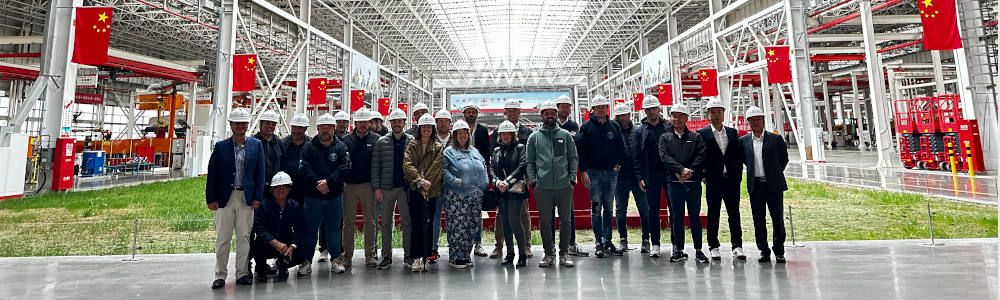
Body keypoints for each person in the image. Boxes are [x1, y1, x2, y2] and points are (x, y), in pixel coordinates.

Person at [205, 108, 265, 289]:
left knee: (244, 237)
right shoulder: (221, 147)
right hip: (225, 198)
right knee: (223, 238)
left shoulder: (256, 145)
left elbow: (260, 174)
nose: (240, 126)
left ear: (247, 125)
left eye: (243, 123)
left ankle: (242, 273)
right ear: (231, 125)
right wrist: (211, 198)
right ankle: (220, 275)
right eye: (236, 123)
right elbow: (212, 174)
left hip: (246, 198)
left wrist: (257, 197)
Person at [526, 101, 578, 268]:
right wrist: (534, 181)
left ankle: (564, 253)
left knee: (566, 221)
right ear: (541, 116)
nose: (550, 116)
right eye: (546, 113)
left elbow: (573, 157)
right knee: (545, 222)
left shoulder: (565, 135)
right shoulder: (534, 137)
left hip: (564, 186)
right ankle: (549, 253)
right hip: (543, 187)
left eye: (552, 113)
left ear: (556, 115)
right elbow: (530, 162)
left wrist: (571, 178)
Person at [299, 112, 351, 274]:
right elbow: (303, 168)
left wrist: (328, 182)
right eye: (322, 127)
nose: (325, 130)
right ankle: (306, 261)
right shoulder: (308, 147)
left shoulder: (341, 147)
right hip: (313, 197)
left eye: (329, 127)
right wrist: (317, 183)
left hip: (333, 196)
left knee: (334, 229)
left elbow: (345, 167)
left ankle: (336, 260)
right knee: (310, 230)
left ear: (334, 129)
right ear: (318, 128)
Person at [576, 95, 627, 258]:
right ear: (593, 109)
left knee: (609, 208)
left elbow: (621, 147)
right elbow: (581, 151)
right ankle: (598, 242)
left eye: (603, 106)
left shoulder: (614, 126)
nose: (600, 109)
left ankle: (608, 241)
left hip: (612, 174)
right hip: (594, 174)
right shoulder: (586, 128)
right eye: (597, 106)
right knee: (596, 209)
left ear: (607, 108)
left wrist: (618, 164)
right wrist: (583, 170)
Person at [658, 103, 708, 264]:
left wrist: (690, 171)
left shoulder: (695, 137)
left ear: (686, 118)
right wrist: (680, 170)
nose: (677, 119)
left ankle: (699, 250)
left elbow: (701, 155)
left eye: (680, 116)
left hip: (693, 182)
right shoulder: (665, 138)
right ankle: (678, 250)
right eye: (674, 115)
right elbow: (664, 157)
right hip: (674, 183)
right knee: (677, 217)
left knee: (694, 216)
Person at [696, 99, 746, 260]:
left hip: (731, 180)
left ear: (723, 113)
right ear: (708, 114)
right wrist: (704, 176)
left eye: (719, 111)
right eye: (712, 112)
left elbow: (737, 156)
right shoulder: (702, 134)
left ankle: (737, 245)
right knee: (713, 213)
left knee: (734, 213)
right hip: (713, 181)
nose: (716, 115)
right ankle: (713, 245)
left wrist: (737, 175)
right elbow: (701, 157)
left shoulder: (732, 132)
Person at [740, 106, 789, 264]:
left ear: (763, 121)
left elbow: (784, 159)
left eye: (758, 119)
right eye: (752, 120)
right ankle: (764, 250)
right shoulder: (744, 141)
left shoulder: (775, 139)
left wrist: (774, 173)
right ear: (748, 122)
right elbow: (744, 160)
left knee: (777, 219)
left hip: (773, 185)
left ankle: (779, 251)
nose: (755, 122)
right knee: (758, 219)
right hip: (756, 187)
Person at [490, 99, 534, 259]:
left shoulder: (527, 132)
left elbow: (528, 159)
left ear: (520, 112)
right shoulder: (497, 132)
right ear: (505, 112)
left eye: (515, 110)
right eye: (510, 110)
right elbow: (493, 158)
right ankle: (499, 246)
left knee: (522, 213)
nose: (512, 113)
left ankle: (526, 246)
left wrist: (528, 177)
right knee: (501, 216)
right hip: (501, 185)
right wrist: (498, 182)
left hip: (520, 183)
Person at [442, 120, 489, 269]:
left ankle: (466, 255)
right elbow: (443, 170)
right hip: (457, 196)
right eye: (459, 133)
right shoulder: (449, 152)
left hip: (475, 195)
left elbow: (484, 165)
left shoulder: (474, 151)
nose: (462, 135)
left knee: (471, 226)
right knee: (457, 227)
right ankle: (456, 257)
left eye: (465, 133)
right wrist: (455, 181)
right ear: (454, 135)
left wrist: (485, 182)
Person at [371, 109, 414, 270]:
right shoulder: (382, 142)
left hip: (404, 189)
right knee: (386, 223)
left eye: (399, 121)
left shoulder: (411, 141)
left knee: (407, 223)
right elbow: (376, 167)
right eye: (394, 121)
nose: (397, 124)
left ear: (404, 123)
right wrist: (376, 187)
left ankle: (408, 255)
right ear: (390, 124)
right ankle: (386, 256)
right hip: (386, 189)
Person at [403, 114, 445, 272]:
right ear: (419, 128)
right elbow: (407, 165)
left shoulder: (438, 147)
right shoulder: (412, 145)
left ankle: (426, 256)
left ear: (432, 129)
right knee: (416, 224)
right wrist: (420, 182)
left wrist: (427, 184)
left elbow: (437, 168)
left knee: (428, 225)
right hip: (415, 190)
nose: (426, 129)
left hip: (432, 191)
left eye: (429, 127)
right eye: (424, 127)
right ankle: (416, 257)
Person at [341, 108, 381, 269]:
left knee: (370, 221)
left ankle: (370, 255)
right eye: (360, 122)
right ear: (355, 123)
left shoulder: (377, 139)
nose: (363, 125)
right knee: (348, 222)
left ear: (369, 123)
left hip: (368, 186)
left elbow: (378, 163)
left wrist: (377, 185)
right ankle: (347, 255)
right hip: (349, 186)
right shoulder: (346, 140)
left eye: (366, 122)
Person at [632, 95, 672, 257]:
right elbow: (637, 156)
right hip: (650, 176)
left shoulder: (668, 127)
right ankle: (655, 243)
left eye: (653, 108)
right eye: (648, 109)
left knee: (674, 210)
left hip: (669, 175)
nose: (651, 112)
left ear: (659, 109)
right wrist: (640, 177)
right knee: (653, 211)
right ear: (645, 111)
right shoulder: (640, 131)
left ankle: (676, 244)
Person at [252, 172, 305, 282]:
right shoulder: (263, 206)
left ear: (289, 189)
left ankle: (282, 265)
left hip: (285, 245)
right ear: (272, 189)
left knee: (301, 252)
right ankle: (261, 268)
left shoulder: (295, 206)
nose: (281, 191)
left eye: (285, 187)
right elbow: (259, 228)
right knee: (257, 245)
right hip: (268, 243)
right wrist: (275, 243)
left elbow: (300, 229)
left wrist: (293, 246)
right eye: (277, 188)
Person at [251, 110, 285, 273]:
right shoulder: (252, 142)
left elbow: (283, 166)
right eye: (267, 123)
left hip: (275, 194)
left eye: (273, 124)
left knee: (275, 228)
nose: (270, 126)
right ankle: (254, 264)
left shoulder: (279, 143)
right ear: (261, 125)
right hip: (258, 194)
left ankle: (279, 262)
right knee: (254, 230)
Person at [612, 103, 649, 253]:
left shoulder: (638, 132)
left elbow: (642, 154)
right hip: (620, 177)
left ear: (629, 115)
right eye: (620, 116)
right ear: (616, 117)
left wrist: (642, 175)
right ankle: (623, 240)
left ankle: (646, 239)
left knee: (644, 209)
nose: (623, 118)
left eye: (625, 115)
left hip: (637, 176)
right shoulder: (613, 132)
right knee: (621, 210)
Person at [461, 102, 492, 258]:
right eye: (468, 112)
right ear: (464, 114)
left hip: (478, 176)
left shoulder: (482, 130)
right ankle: (462, 241)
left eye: (473, 112)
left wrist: (486, 176)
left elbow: (487, 155)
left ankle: (478, 243)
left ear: (477, 114)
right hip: (461, 176)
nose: (471, 114)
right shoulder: (458, 129)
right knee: (462, 212)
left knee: (477, 212)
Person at [429, 108, 453, 263]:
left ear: (450, 123)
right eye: (440, 121)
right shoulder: (430, 139)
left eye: (446, 121)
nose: (443, 123)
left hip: (453, 186)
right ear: (436, 123)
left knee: (453, 217)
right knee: (435, 217)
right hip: (435, 185)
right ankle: (433, 248)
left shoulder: (457, 137)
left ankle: (454, 247)